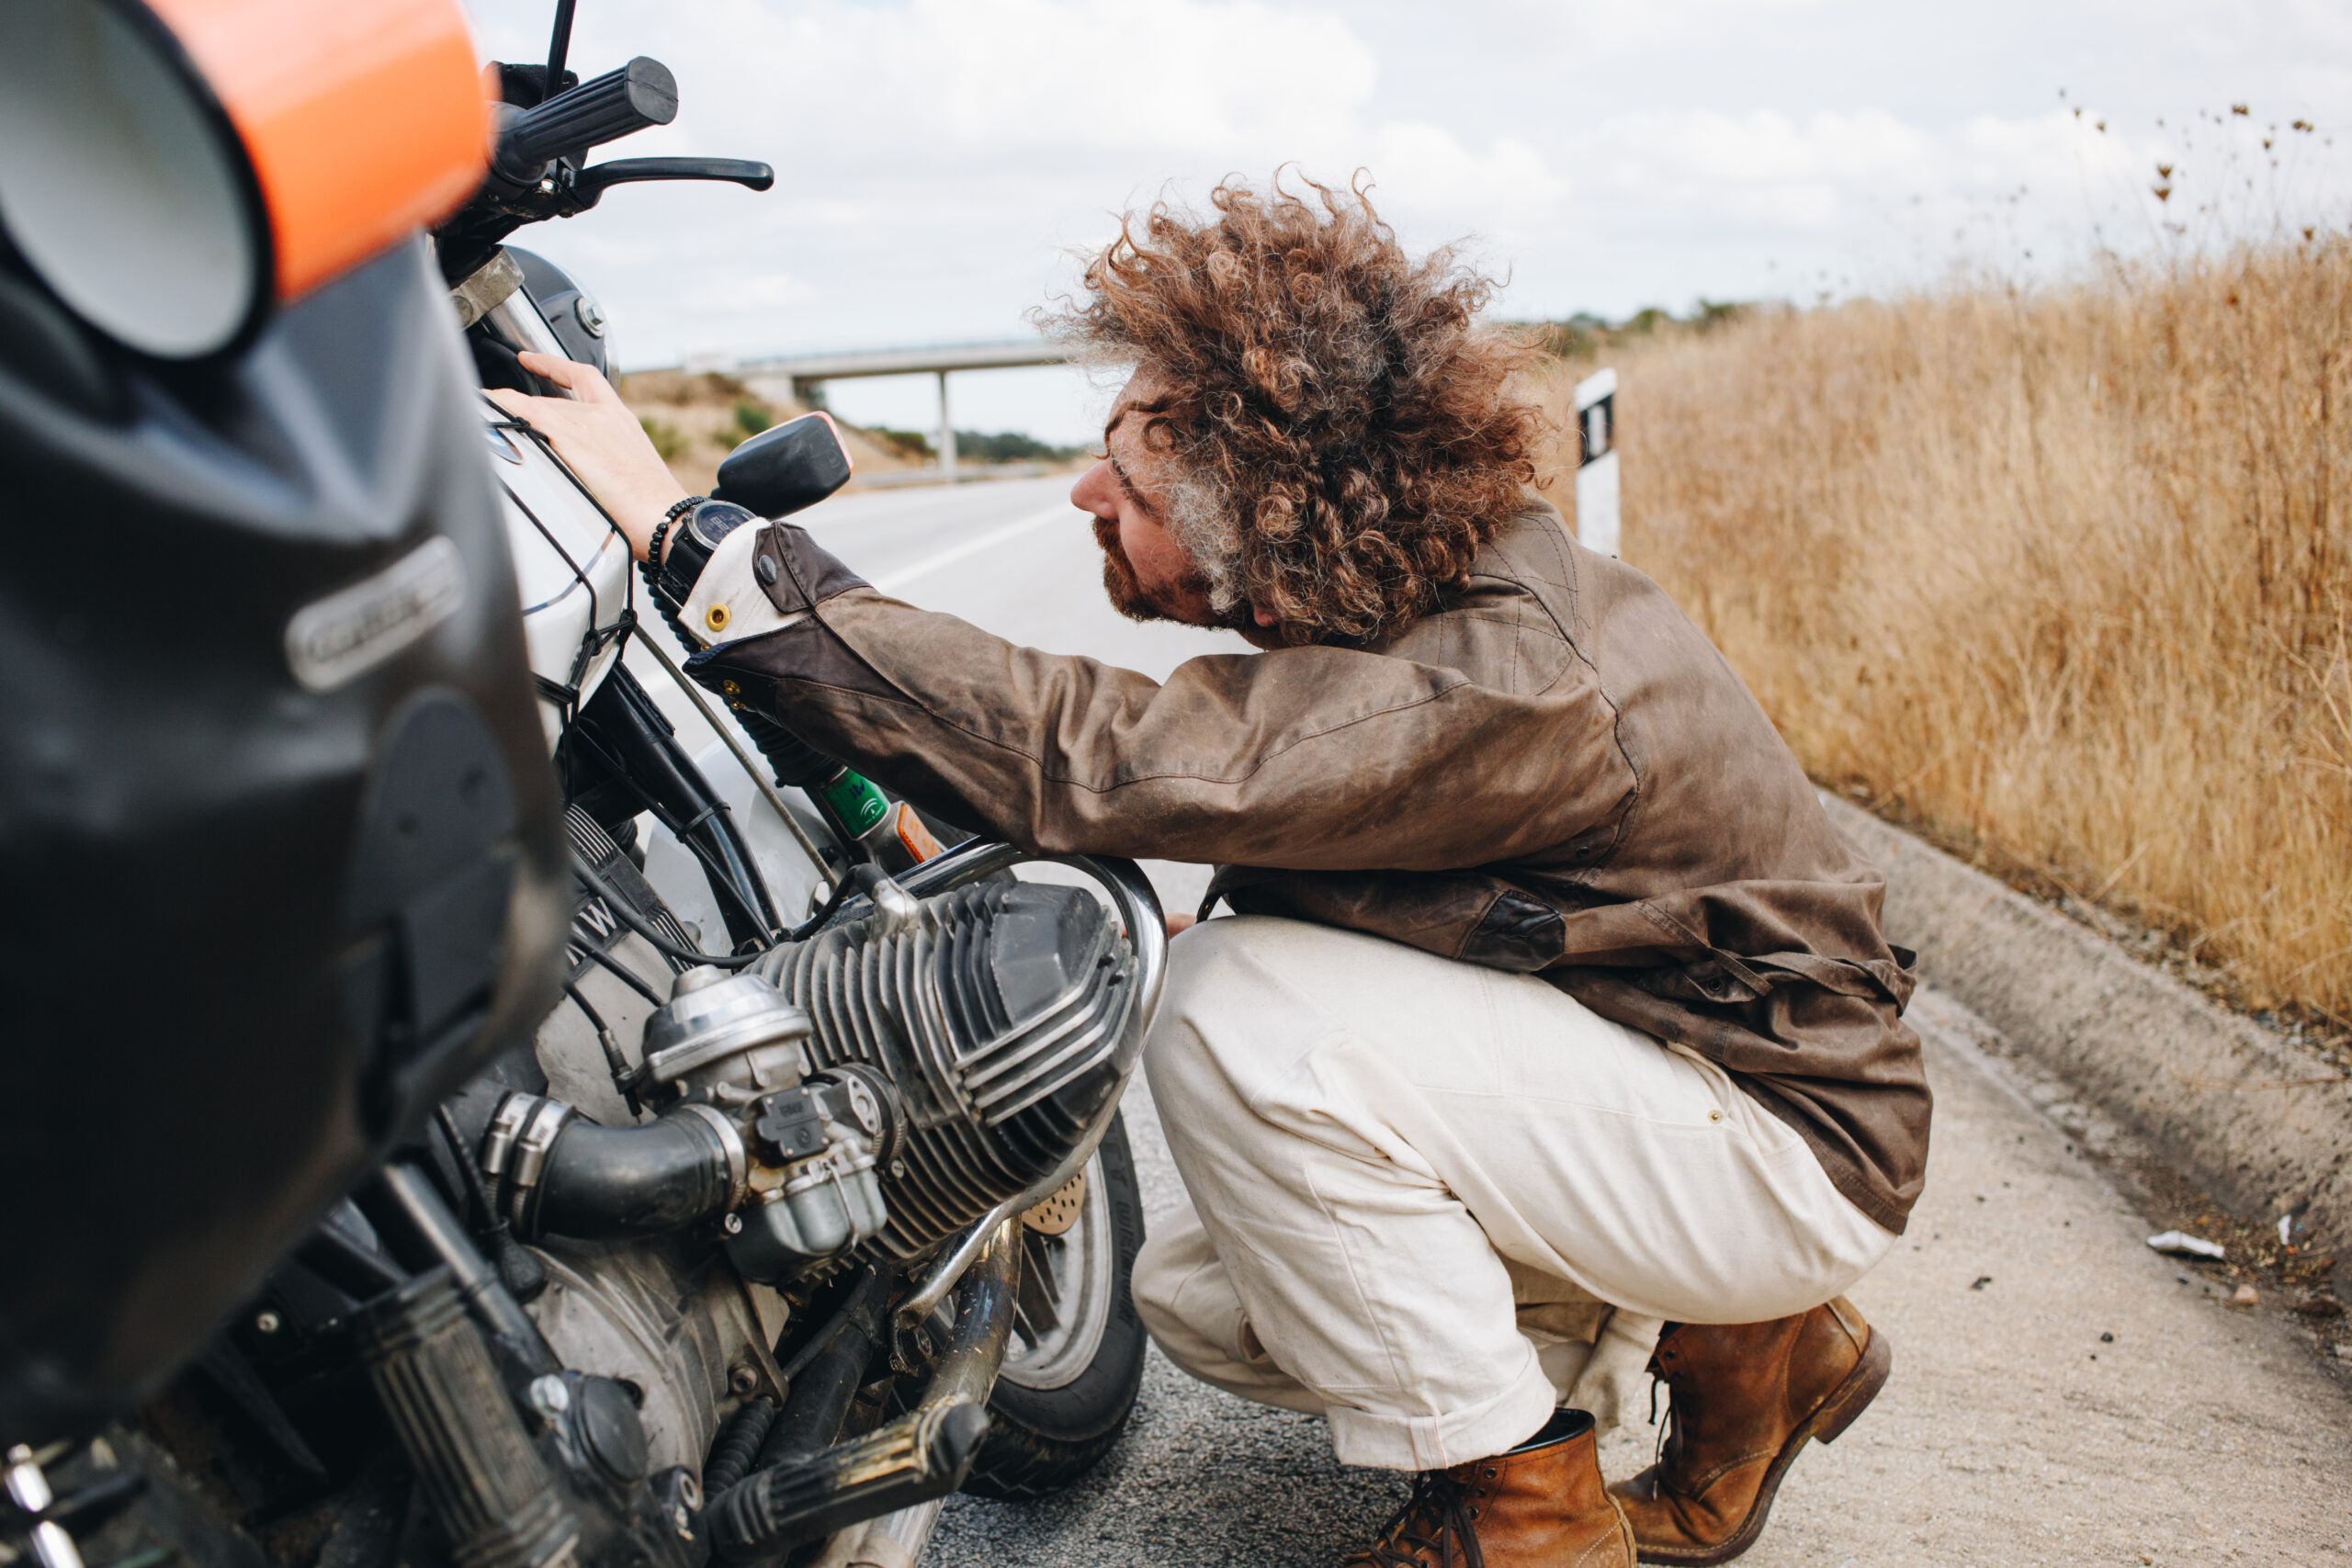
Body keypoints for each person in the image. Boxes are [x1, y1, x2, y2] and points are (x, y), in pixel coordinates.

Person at [494, 175, 1930, 1568]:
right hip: (1679, 1074)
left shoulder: (1509, 679)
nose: (1082, 490)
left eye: (1128, 471)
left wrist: (702, 544)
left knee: (1239, 1014)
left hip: (1780, 1138)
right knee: (1209, 1298)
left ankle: (1523, 1520)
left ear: (1256, 494)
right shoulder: (1417, 591)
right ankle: (1749, 1342)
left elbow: (1110, 757)